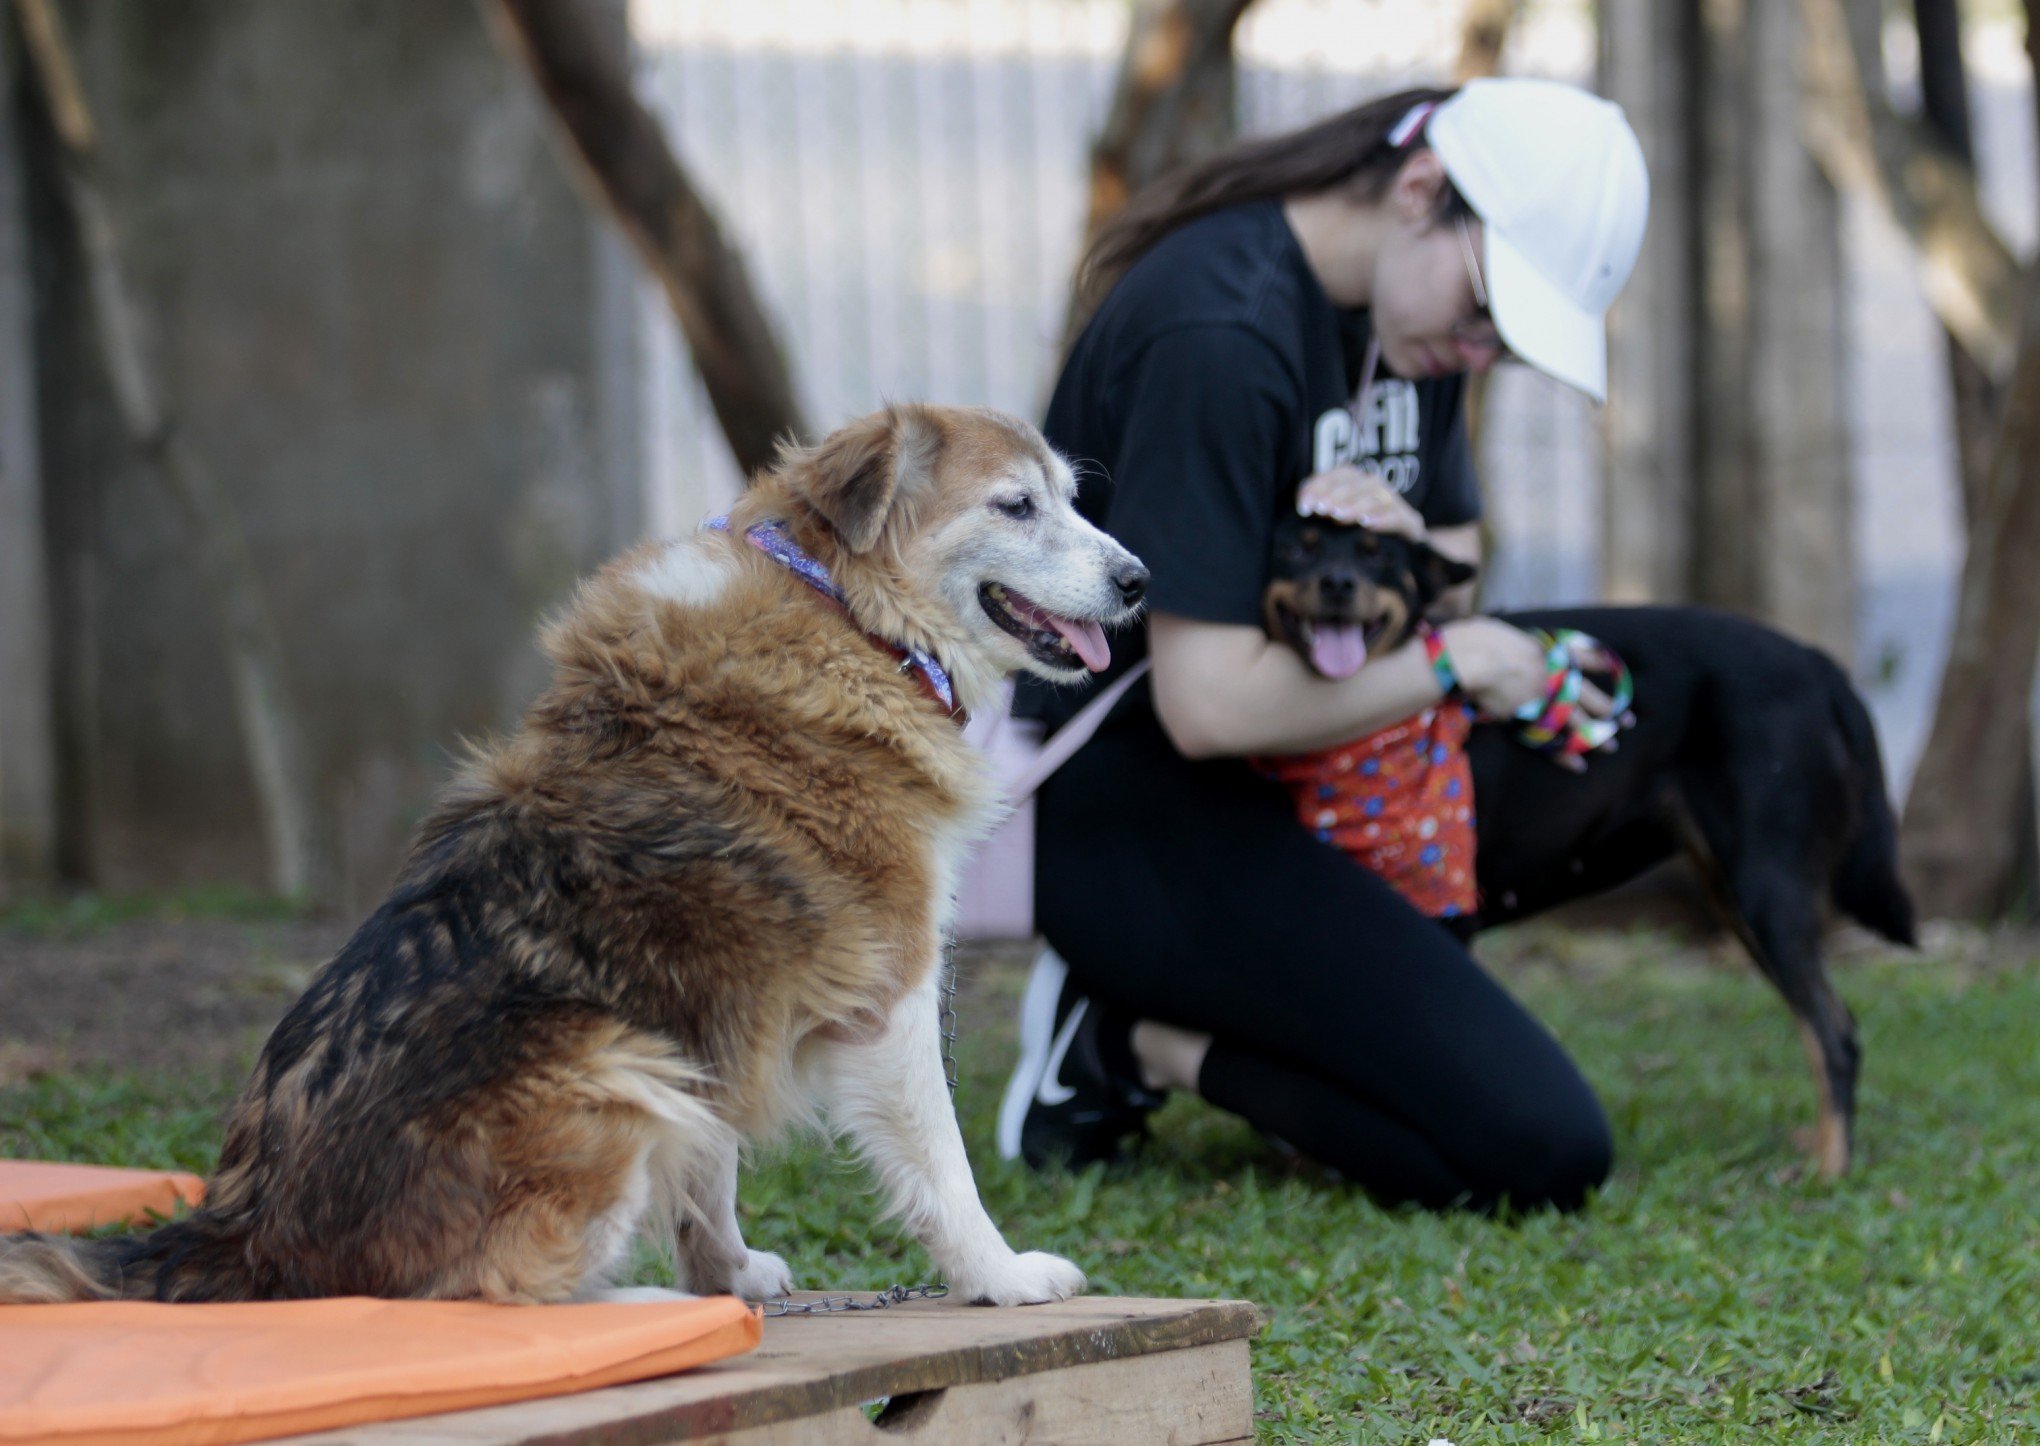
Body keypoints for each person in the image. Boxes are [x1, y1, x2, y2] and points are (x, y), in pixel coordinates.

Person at [994, 78, 1649, 1213]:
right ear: (1419, 190)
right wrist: (1455, 662)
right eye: (1490, 309)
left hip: (1313, 751)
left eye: (1511, 337)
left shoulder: (1412, 325)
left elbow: (1453, 554)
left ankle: (1212, 1019)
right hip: (1136, 796)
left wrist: (1418, 560)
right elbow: (1211, 707)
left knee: (1636, 688)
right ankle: (1123, 1040)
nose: (1484, 348)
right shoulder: (1221, 328)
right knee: (1542, 1149)